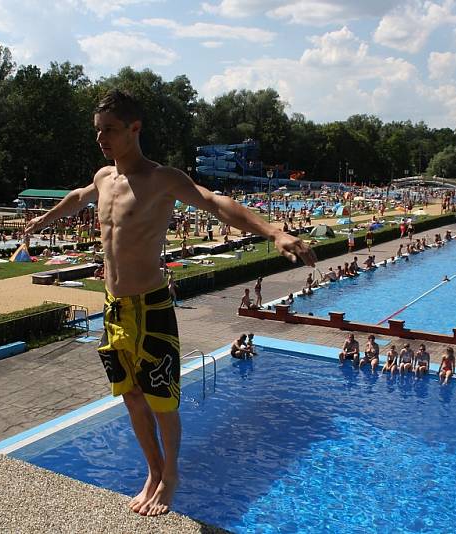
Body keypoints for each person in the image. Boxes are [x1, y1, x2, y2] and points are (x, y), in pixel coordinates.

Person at [24, 89, 315, 517]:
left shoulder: (163, 179)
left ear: (135, 129)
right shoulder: (105, 177)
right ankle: (152, 470)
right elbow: (78, 195)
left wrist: (274, 232)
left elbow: (217, 203)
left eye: (111, 130)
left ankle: (171, 474)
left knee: (161, 401)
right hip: (113, 308)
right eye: (98, 131)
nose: (102, 138)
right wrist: (44, 218)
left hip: (152, 306)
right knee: (130, 396)